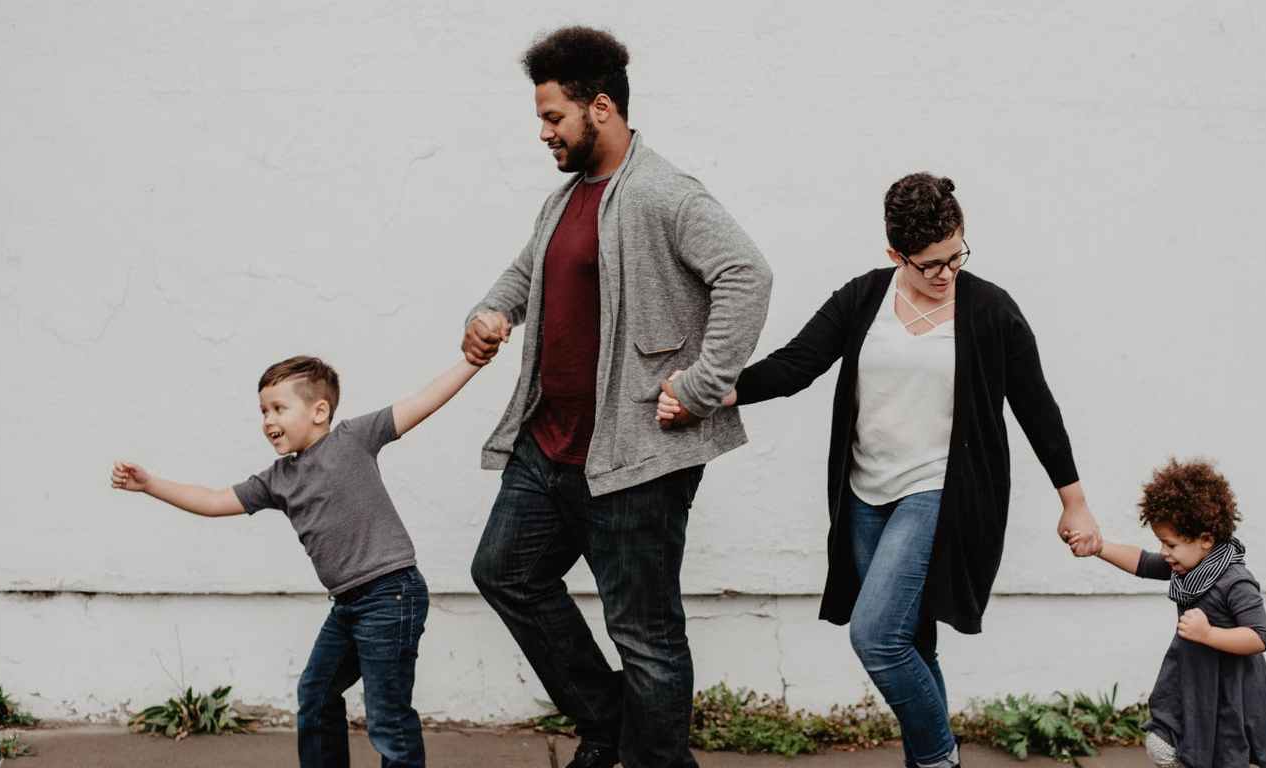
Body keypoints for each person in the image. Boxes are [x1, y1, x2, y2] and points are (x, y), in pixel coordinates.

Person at [658, 172, 1101, 768]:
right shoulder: (864, 298)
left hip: (937, 491)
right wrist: (711, 393)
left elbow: (1037, 407)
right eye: (930, 264)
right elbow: (796, 364)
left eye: (956, 256)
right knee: (910, 639)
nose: (946, 273)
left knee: (876, 637)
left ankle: (938, 759)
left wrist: (1074, 501)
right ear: (896, 254)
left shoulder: (991, 311)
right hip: (864, 496)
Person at [462, 25, 773, 768]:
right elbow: (528, 271)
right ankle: (609, 728)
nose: (544, 132)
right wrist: (493, 311)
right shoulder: (564, 200)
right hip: (549, 445)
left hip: (634, 458)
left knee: (645, 636)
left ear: (599, 107)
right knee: (505, 573)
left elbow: (747, 276)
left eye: (553, 117)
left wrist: (701, 387)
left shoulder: (665, 193)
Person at [111, 355, 482, 768]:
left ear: (319, 411)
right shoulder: (279, 479)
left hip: (391, 594)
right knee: (316, 695)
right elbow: (214, 501)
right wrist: (150, 485)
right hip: (348, 605)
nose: (268, 420)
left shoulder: (353, 439)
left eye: (278, 408)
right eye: (263, 411)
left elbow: (422, 402)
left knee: (387, 718)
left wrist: (473, 361)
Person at [1085, 458, 1266, 768]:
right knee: (1161, 743)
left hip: (1228, 692)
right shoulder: (1188, 568)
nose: (1164, 552)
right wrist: (1099, 547)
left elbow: (1259, 636)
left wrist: (1208, 634)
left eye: (1171, 544)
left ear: (1205, 540)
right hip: (1193, 683)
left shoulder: (1235, 581)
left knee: (1224, 757)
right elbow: (1142, 562)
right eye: (1161, 543)